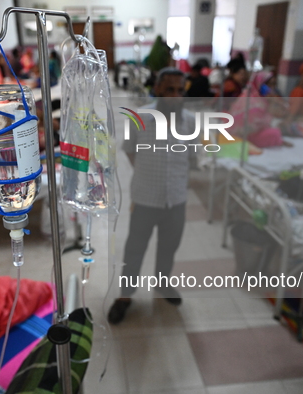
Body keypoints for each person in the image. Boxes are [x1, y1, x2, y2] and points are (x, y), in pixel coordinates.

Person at [107, 68, 196, 325]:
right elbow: (130, 152)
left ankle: (162, 282)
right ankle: (125, 297)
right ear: (157, 90)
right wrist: (148, 177)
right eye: (170, 90)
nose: (176, 96)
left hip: (176, 200)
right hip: (145, 198)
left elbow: (190, 157)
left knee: (169, 246)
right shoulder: (140, 118)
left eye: (181, 90)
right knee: (135, 248)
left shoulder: (190, 121)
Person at [229, 71, 291, 148]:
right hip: (244, 135)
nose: (271, 88)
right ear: (260, 83)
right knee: (275, 133)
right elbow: (251, 127)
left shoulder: (260, 97)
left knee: (276, 131)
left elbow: (283, 112)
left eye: (273, 84)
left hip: (252, 132)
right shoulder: (253, 100)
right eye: (269, 84)